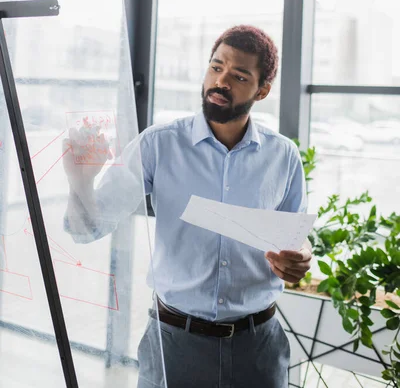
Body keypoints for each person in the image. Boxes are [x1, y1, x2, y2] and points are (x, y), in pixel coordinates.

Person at [64, 25, 312, 388]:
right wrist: (81, 180)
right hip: (174, 342)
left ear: (262, 90)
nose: (221, 81)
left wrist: (301, 257)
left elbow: (298, 239)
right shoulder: (158, 145)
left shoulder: (283, 156)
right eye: (216, 67)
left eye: (239, 75)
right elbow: (89, 228)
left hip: (258, 346)